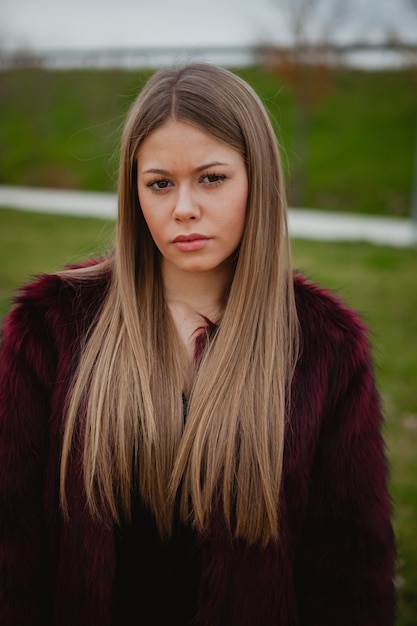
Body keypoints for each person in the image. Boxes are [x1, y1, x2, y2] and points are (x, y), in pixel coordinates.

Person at [0, 63, 396, 626]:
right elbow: (12, 547)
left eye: (211, 178)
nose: (183, 206)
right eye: (160, 183)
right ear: (134, 191)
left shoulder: (325, 346)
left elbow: (350, 571)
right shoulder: (53, 327)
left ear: (257, 178)